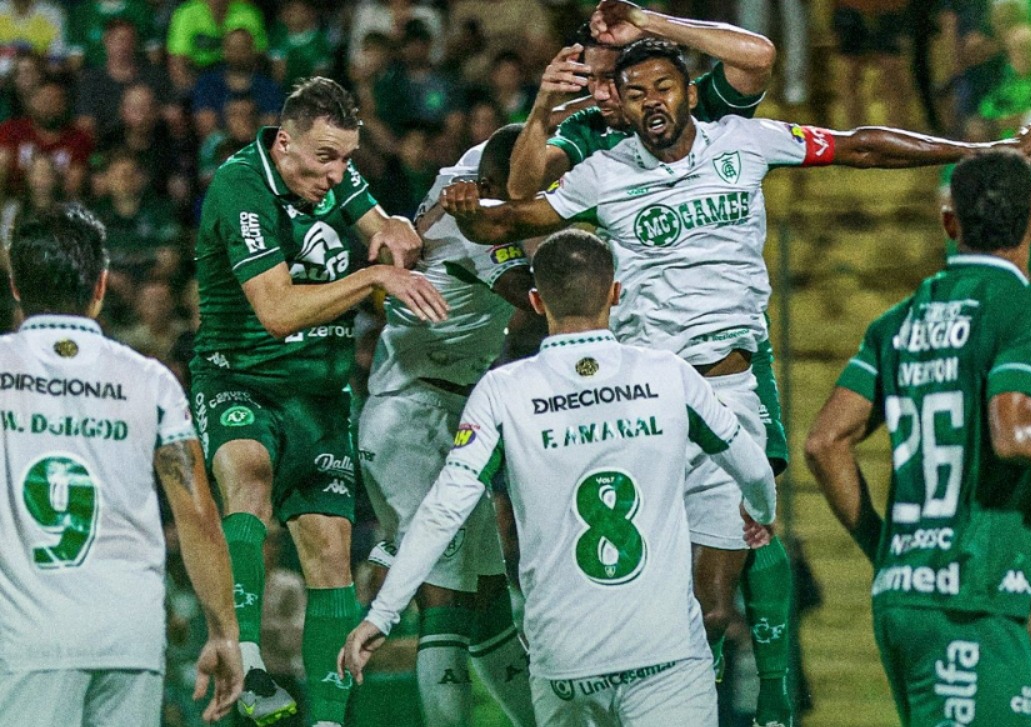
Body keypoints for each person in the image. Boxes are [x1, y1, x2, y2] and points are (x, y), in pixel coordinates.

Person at [445, 36, 1031, 727]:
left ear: (688, 91)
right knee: (656, 588)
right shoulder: (603, 169)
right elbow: (515, 209)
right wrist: (476, 196)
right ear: (622, 100)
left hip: (731, 382)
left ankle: (767, 697)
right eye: (638, 91)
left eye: (665, 87)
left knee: (720, 590)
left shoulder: (745, 140)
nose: (654, 102)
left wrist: (973, 151)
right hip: (648, 397)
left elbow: (856, 145)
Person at [339, 228, 777, 727]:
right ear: (616, 293)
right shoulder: (669, 375)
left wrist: (384, 613)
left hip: (565, 664)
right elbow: (753, 466)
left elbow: (444, 508)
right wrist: (759, 513)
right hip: (665, 654)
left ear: (533, 299)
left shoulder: (503, 391)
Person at [191, 76, 447, 727]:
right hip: (239, 379)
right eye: (324, 157)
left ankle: (329, 719)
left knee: (332, 553)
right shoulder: (242, 185)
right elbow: (276, 309)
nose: (336, 174)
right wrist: (373, 273)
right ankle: (248, 661)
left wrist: (395, 231)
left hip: (321, 397)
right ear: (284, 144)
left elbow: (384, 227)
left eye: (346, 158)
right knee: (248, 474)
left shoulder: (334, 176)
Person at [804, 150, 1031, 726]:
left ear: (949, 222)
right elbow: (1019, 431)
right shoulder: (1028, 306)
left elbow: (825, 442)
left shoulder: (897, 321)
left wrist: (885, 550)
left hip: (904, 596)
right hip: (968, 597)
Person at [0, 204, 242, 725]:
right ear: (102, 285)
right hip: (130, 640)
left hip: (26, 641)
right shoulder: (151, 381)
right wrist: (224, 633)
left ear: (15, 282)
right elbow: (199, 516)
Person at [356, 123, 537, 727]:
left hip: (443, 415)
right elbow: (543, 299)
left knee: (488, 607)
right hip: (411, 416)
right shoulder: (480, 227)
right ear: (490, 187)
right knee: (447, 599)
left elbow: (511, 149)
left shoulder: (460, 180)